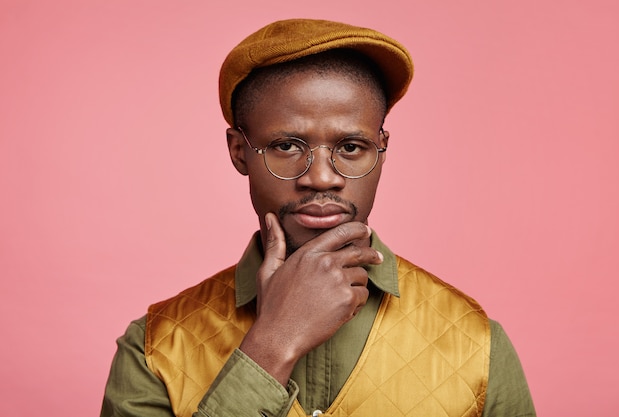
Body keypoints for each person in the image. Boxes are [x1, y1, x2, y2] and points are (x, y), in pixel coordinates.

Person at [100, 18, 535, 417]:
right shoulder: (153, 348)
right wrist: (272, 346)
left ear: (382, 149)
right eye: (287, 146)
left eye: (350, 147)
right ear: (238, 152)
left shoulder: (477, 343)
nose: (322, 178)